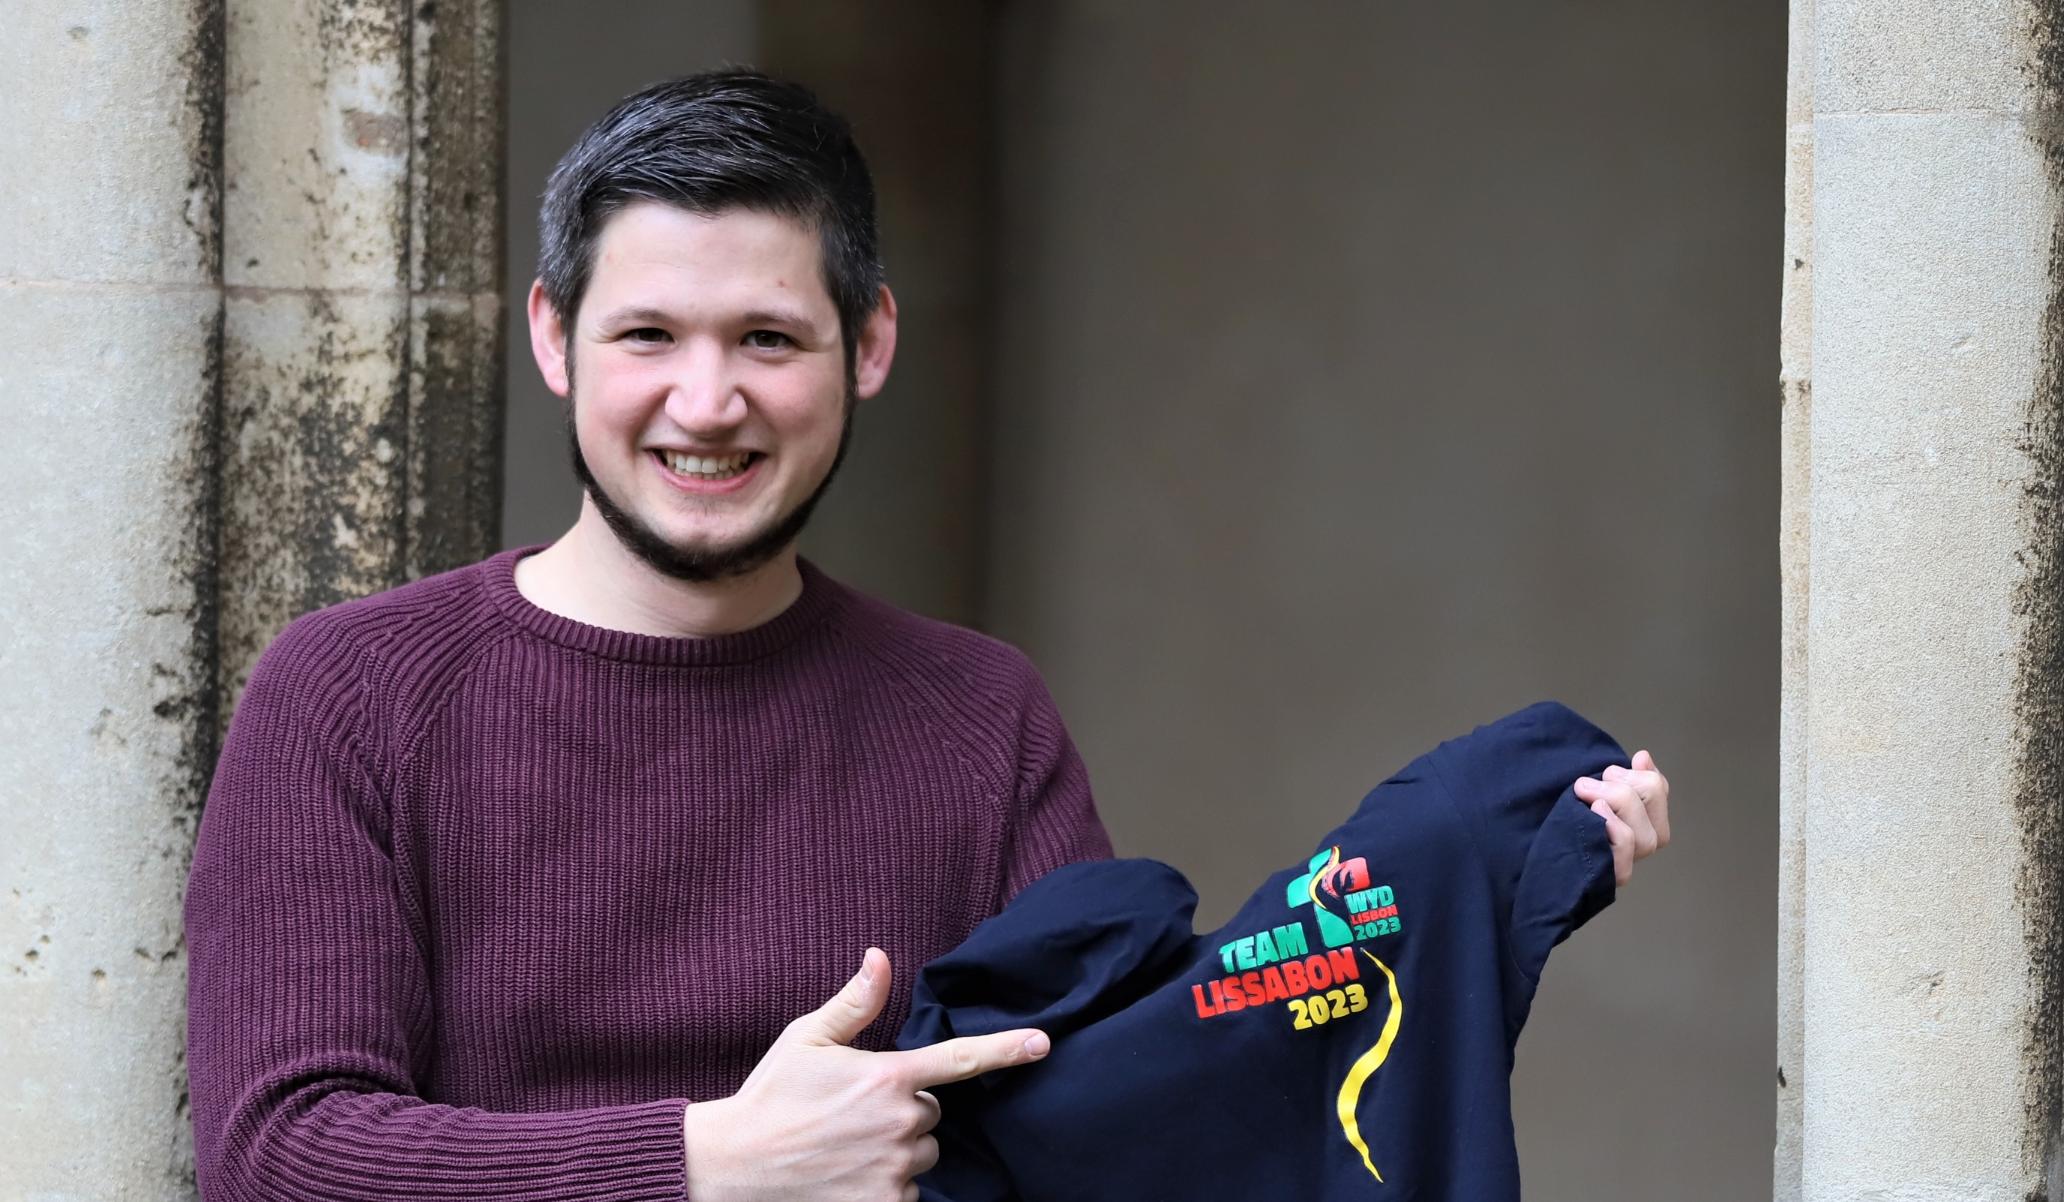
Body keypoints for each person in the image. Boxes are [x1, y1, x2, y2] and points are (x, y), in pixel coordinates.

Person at [183, 69, 1671, 1202]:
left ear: (869, 345)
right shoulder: (351, 693)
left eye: (768, 338)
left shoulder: (975, 714)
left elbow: (1140, 1097)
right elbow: (284, 1154)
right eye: (651, 337)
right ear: (556, 339)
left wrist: (1484, 881)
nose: (708, 402)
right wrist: (708, 1159)